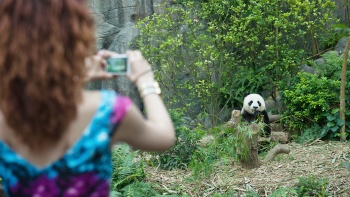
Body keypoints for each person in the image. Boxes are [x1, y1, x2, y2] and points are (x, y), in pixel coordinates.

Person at [0, 0, 175, 196]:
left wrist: (72, 77)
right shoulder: (107, 110)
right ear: (77, 36)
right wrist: (145, 81)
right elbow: (164, 137)